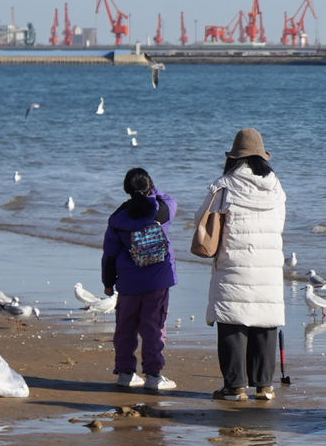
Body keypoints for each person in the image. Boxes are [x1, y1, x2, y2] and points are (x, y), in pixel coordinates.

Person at [196, 128, 286, 401]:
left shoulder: (223, 185)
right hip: (268, 263)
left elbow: (202, 219)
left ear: (234, 158)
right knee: (265, 320)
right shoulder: (276, 186)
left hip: (234, 262)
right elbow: (281, 222)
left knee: (232, 321)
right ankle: (264, 386)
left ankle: (234, 387)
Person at [102, 167, 178, 391]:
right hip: (157, 280)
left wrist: (108, 283)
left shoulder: (118, 218)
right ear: (150, 186)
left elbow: (109, 253)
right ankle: (153, 375)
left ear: (126, 189)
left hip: (128, 281)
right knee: (154, 326)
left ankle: (126, 373)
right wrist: (153, 190)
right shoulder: (161, 211)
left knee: (125, 327)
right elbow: (171, 200)